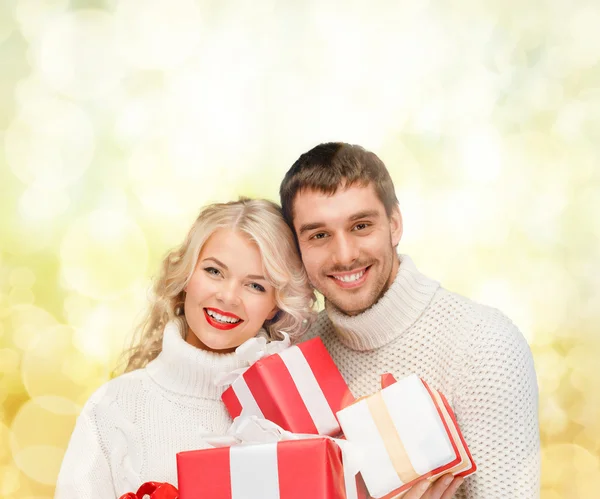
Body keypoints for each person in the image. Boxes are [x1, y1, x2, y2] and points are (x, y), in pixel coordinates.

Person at [280, 143, 540, 499]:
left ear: (395, 224)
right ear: (296, 247)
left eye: (361, 225)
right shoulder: (294, 355)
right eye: (319, 235)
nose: (345, 255)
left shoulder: (485, 343)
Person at [55, 198, 317, 497]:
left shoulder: (294, 415)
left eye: (256, 286)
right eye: (214, 271)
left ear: (275, 306)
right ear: (186, 278)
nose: (228, 297)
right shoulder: (113, 408)